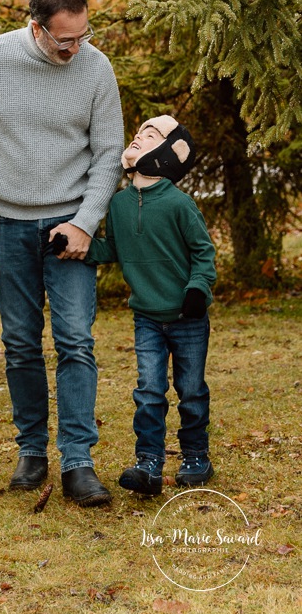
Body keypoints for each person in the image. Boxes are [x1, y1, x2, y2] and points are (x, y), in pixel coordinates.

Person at [0, 0, 124, 507]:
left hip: (70, 222)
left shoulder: (96, 68)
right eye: (64, 40)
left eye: (83, 35)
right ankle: (31, 451)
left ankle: (78, 461)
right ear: (36, 27)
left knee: (75, 340)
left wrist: (86, 223)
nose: (75, 48)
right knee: (21, 342)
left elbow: (109, 153)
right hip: (9, 222)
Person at [86, 115, 216, 497]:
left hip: (187, 317)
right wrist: (77, 247)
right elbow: (111, 248)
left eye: (151, 134)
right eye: (138, 133)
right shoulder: (119, 204)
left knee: (191, 390)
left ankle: (196, 457)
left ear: (169, 152)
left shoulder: (179, 203)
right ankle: (148, 463)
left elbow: (203, 253)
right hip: (146, 318)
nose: (138, 137)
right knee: (149, 391)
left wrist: (197, 290)